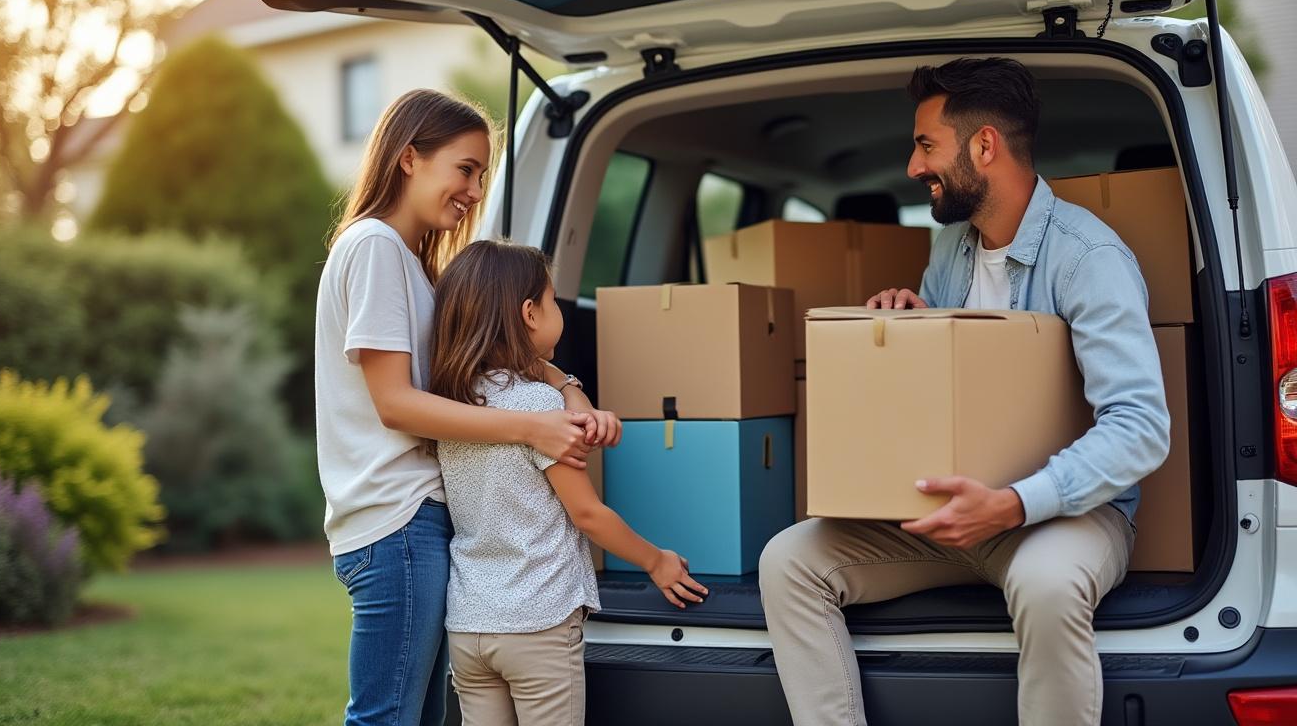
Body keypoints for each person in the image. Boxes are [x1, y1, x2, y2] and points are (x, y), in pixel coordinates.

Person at [759, 58, 1170, 726]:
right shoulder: (950, 248)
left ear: (984, 146)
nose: (913, 166)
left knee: (1046, 586)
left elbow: (1141, 428)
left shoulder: (1089, 259)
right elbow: (949, 389)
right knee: (787, 561)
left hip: (1064, 517)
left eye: (926, 145)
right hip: (947, 519)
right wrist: (909, 327)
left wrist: (1012, 504)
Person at [314, 89, 619, 726]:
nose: (475, 191)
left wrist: (567, 390)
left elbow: (496, 357)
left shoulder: (412, 264)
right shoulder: (374, 246)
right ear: (409, 158)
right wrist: (532, 427)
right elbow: (395, 404)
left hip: (412, 521)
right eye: (466, 169)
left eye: (481, 175)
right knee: (387, 718)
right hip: (396, 519)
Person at [430, 239, 708, 725]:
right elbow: (587, 515)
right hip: (537, 624)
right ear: (529, 314)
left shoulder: (453, 405)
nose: (558, 309)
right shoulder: (539, 408)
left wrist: (566, 387)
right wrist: (656, 561)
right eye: (553, 300)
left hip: (470, 625)